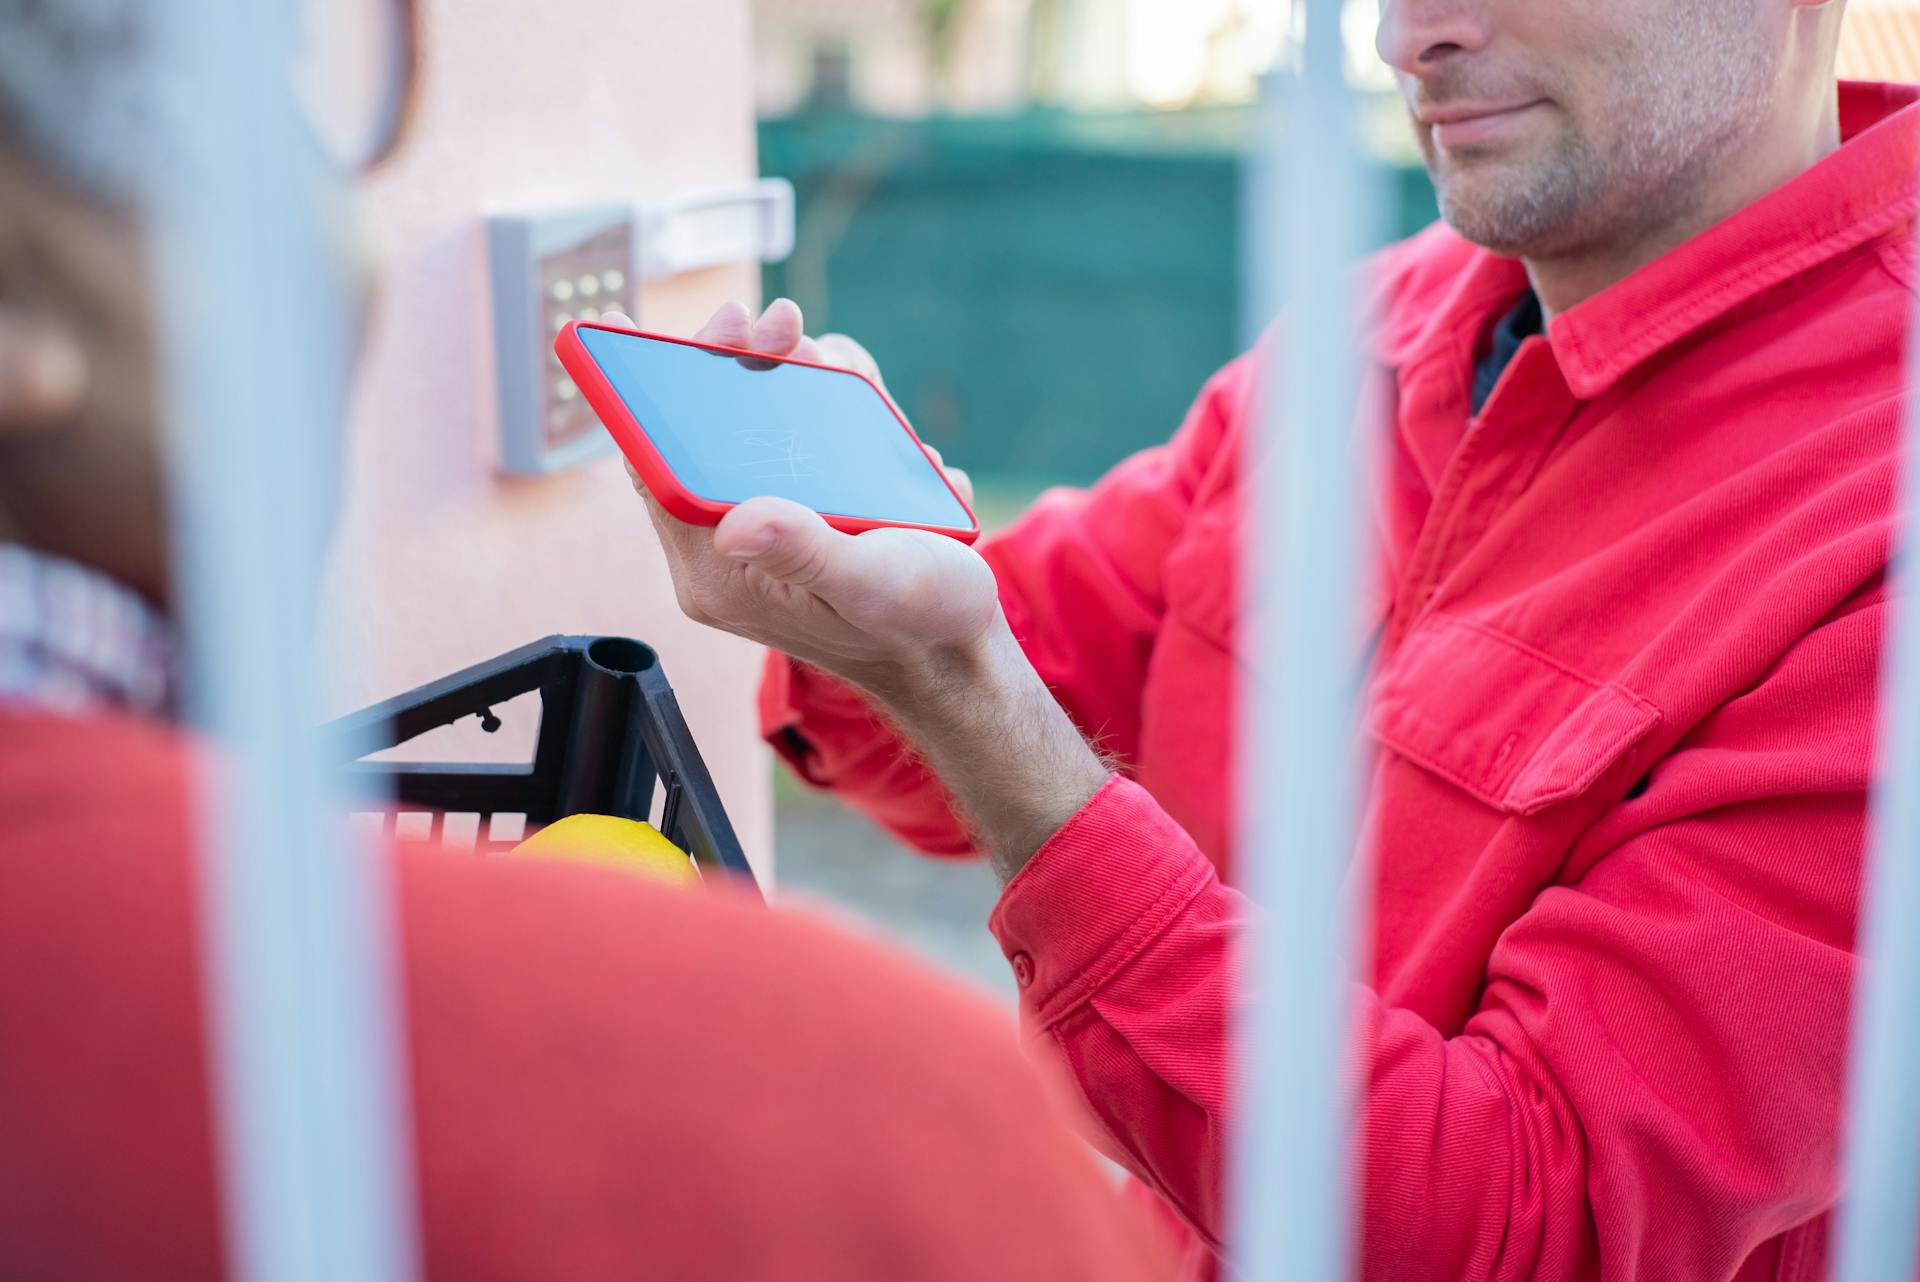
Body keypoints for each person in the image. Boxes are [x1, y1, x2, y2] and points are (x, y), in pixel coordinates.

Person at [637, 0, 1907, 1277]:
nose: (1407, 38)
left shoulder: (1875, 520)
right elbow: (1045, 657)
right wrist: (850, 590)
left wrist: (979, 709)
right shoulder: (1371, 333)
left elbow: (1525, 1219)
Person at [0, 7, 1174, 1280]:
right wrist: (918, 671)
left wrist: (924, 664)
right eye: (263, 97)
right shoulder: (883, 1138)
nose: (349, 237)